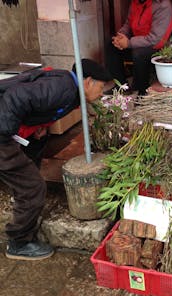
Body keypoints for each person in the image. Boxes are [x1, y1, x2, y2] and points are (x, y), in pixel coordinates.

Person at [0, 58, 112, 260]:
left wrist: (39, 124)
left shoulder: (68, 87)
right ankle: (19, 242)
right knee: (33, 188)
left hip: (8, 128)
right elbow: (17, 96)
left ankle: (23, 197)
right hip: (2, 132)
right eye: (101, 87)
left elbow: (36, 103)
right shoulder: (63, 89)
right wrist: (6, 134)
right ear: (88, 82)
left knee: (37, 146)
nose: (101, 92)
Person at [106, 0, 172, 95]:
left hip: (157, 47)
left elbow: (155, 38)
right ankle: (121, 86)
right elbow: (128, 24)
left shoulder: (163, 5)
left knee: (139, 53)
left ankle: (143, 92)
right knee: (112, 46)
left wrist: (129, 43)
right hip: (138, 42)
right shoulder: (136, 2)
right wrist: (121, 36)